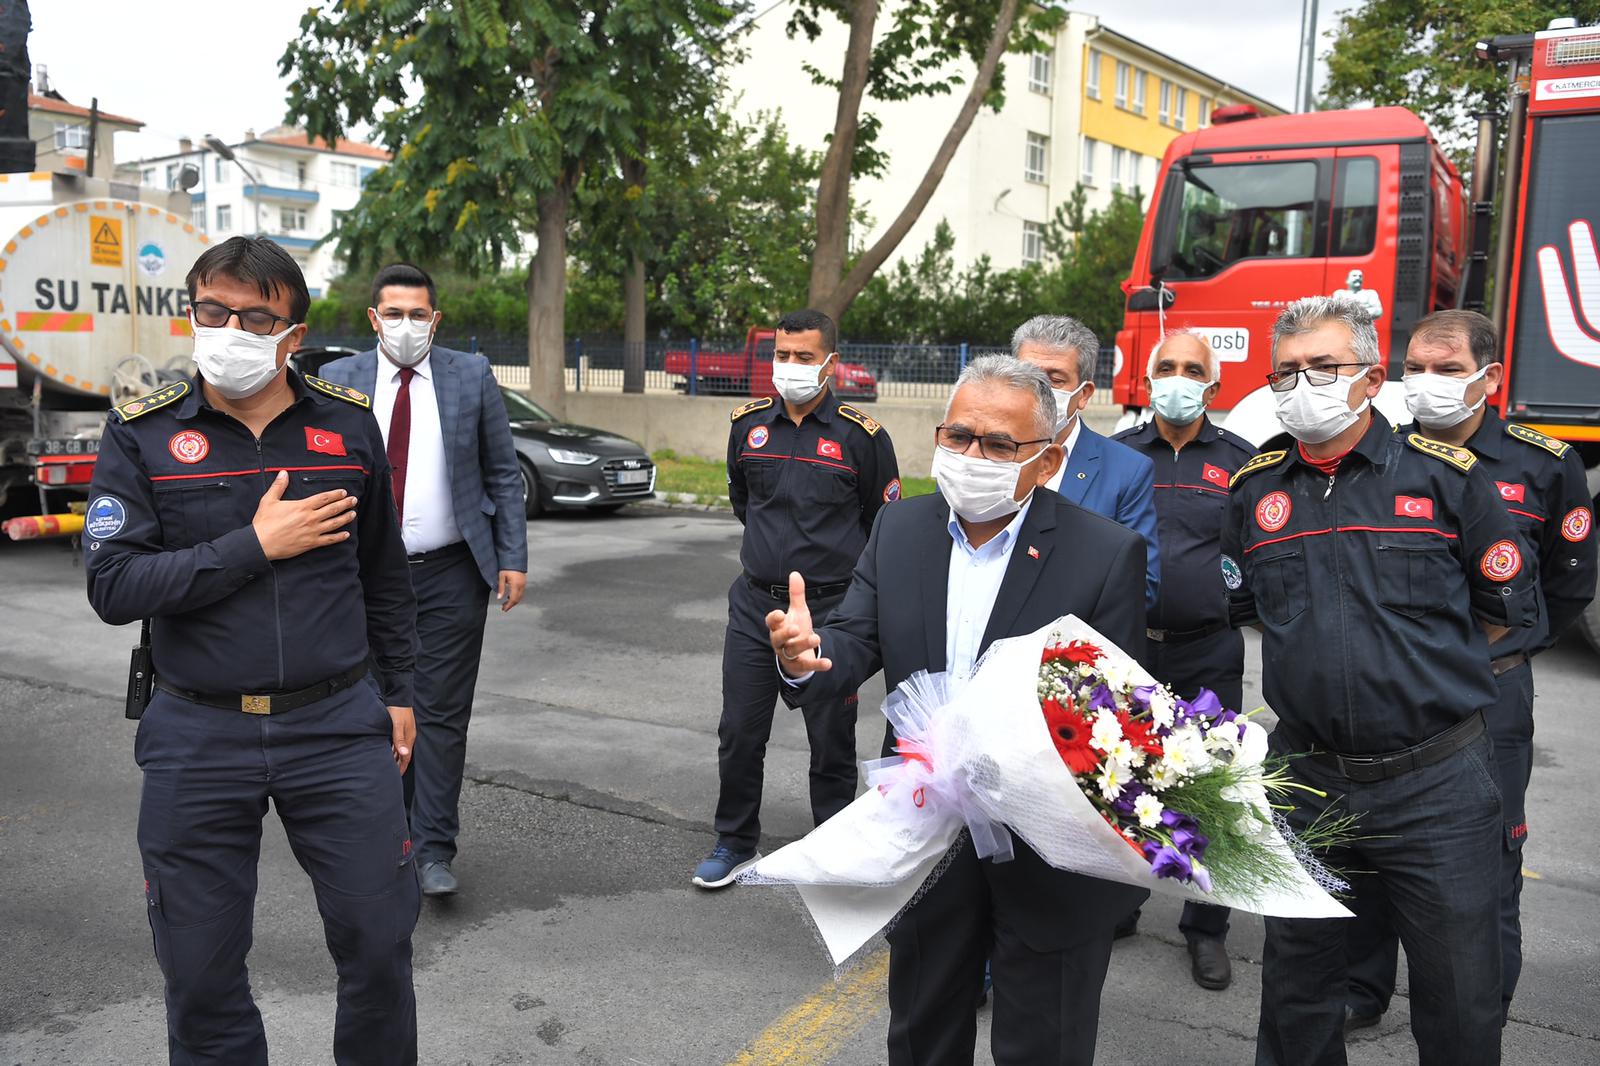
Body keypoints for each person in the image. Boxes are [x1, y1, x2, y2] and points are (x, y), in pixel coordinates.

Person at [83, 236, 420, 1064]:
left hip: (338, 726)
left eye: (255, 316)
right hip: (198, 733)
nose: (229, 327)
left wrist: (401, 694)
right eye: (212, 310)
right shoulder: (143, 436)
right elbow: (114, 587)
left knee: (380, 948)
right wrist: (254, 545)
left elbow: (384, 574)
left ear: (292, 334)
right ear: (190, 310)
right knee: (198, 972)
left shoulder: (346, 427)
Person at [769, 354, 1149, 1066]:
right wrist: (807, 657)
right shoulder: (901, 530)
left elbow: (1111, 717)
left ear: (1047, 458)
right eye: (959, 436)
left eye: (999, 444)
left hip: (1048, 850)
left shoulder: (1105, 554)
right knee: (921, 1030)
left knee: (1046, 1043)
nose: (973, 457)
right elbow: (853, 638)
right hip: (927, 833)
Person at [1222, 296, 1537, 1066]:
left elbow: (1502, 612)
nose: (1303, 385)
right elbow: (1257, 611)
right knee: (1297, 993)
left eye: (1323, 368)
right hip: (1307, 776)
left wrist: (1411, 671)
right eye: (1287, 371)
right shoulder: (1254, 492)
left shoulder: (1445, 480)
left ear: (1368, 379)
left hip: (1435, 780)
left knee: (1458, 997)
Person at [1344, 309, 1597, 1029]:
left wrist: (1499, 650)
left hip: (1490, 695)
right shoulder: (1381, 454)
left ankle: (1479, 1009)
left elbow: (1568, 583)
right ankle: (1361, 993)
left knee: (1488, 863)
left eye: (1447, 369)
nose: (1426, 382)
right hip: (1392, 690)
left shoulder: (1544, 464)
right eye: (1415, 367)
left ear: (1489, 377)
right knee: (1373, 848)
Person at [319, 263, 528, 898]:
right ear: (372, 319)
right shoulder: (335, 380)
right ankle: (388, 839)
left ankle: (433, 847)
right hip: (360, 575)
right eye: (394, 313)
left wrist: (512, 555)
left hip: (449, 573)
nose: (406, 325)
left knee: (439, 713)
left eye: (418, 314)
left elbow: (501, 472)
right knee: (372, 707)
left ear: (435, 320)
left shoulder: (472, 376)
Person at [692, 308, 901, 889]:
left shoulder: (862, 437)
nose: (790, 367)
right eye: (782, 355)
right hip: (756, 604)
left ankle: (832, 846)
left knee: (830, 735)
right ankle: (733, 840)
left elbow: (881, 522)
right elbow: (742, 500)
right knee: (739, 728)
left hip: (833, 609)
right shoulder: (748, 425)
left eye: (804, 357)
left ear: (831, 362)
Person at [1111, 329, 1256, 991]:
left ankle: (1206, 930)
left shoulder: (1242, 464)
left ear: (1213, 385)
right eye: (1165, 366)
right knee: (1119, 782)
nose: (1177, 377)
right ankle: (1118, 904)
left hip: (1209, 651)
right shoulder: (1117, 457)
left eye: (1191, 368)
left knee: (1211, 794)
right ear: (1147, 380)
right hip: (1129, 648)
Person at [1013, 314, 1160, 609]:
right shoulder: (975, 453)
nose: (1039, 390)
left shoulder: (1126, 471)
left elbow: (1141, 584)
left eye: (1054, 380)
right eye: (1028, 376)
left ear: (1084, 395)